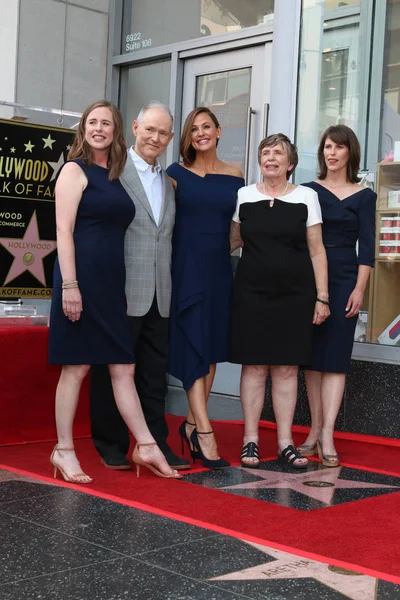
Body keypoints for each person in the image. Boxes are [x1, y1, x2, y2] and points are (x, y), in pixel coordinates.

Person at [48, 100, 181, 483]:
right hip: (80, 279)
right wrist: (70, 285)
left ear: (117, 130)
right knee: (76, 368)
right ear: (83, 128)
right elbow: (63, 232)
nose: (99, 129)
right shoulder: (74, 170)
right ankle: (64, 450)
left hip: (111, 284)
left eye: (106, 123)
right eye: (93, 122)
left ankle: (146, 445)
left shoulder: (116, 174)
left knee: (123, 366)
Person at [89, 102, 190, 471]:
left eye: (163, 133)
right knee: (111, 371)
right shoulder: (112, 171)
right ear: (134, 127)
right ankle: (110, 443)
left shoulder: (169, 181)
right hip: (121, 288)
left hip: (160, 293)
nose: (156, 138)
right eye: (150, 129)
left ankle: (155, 443)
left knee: (152, 375)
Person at [229, 133, 330, 469]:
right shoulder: (243, 195)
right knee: (254, 366)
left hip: (295, 295)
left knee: (286, 369)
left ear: (290, 163)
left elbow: (317, 249)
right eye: (265, 152)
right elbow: (232, 241)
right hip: (251, 294)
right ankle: (250, 441)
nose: (270, 158)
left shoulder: (307, 196)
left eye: (278, 153)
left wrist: (322, 297)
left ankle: (286, 443)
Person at [167, 107, 244, 469]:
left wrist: (224, 247)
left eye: (206, 127)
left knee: (210, 348)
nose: (200, 133)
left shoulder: (235, 175)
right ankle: (205, 432)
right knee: (194, 343)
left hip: (218, 268)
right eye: (194, 129)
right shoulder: (175, 174)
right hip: (186, 267)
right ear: (188, 136)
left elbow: (239, 225)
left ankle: (191, 425)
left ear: (218, 131)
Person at [299, 125, 376, 467]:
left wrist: (360, 289)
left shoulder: (364, 195)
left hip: (346, 275)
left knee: (336, 358)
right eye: (327, 147)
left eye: (338, 147)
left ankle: (328, 433)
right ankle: (314, 430)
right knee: (312, 358)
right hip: (311, 276)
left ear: (350, 153)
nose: (331, 153)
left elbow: (368, 248)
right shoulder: (307, 191)